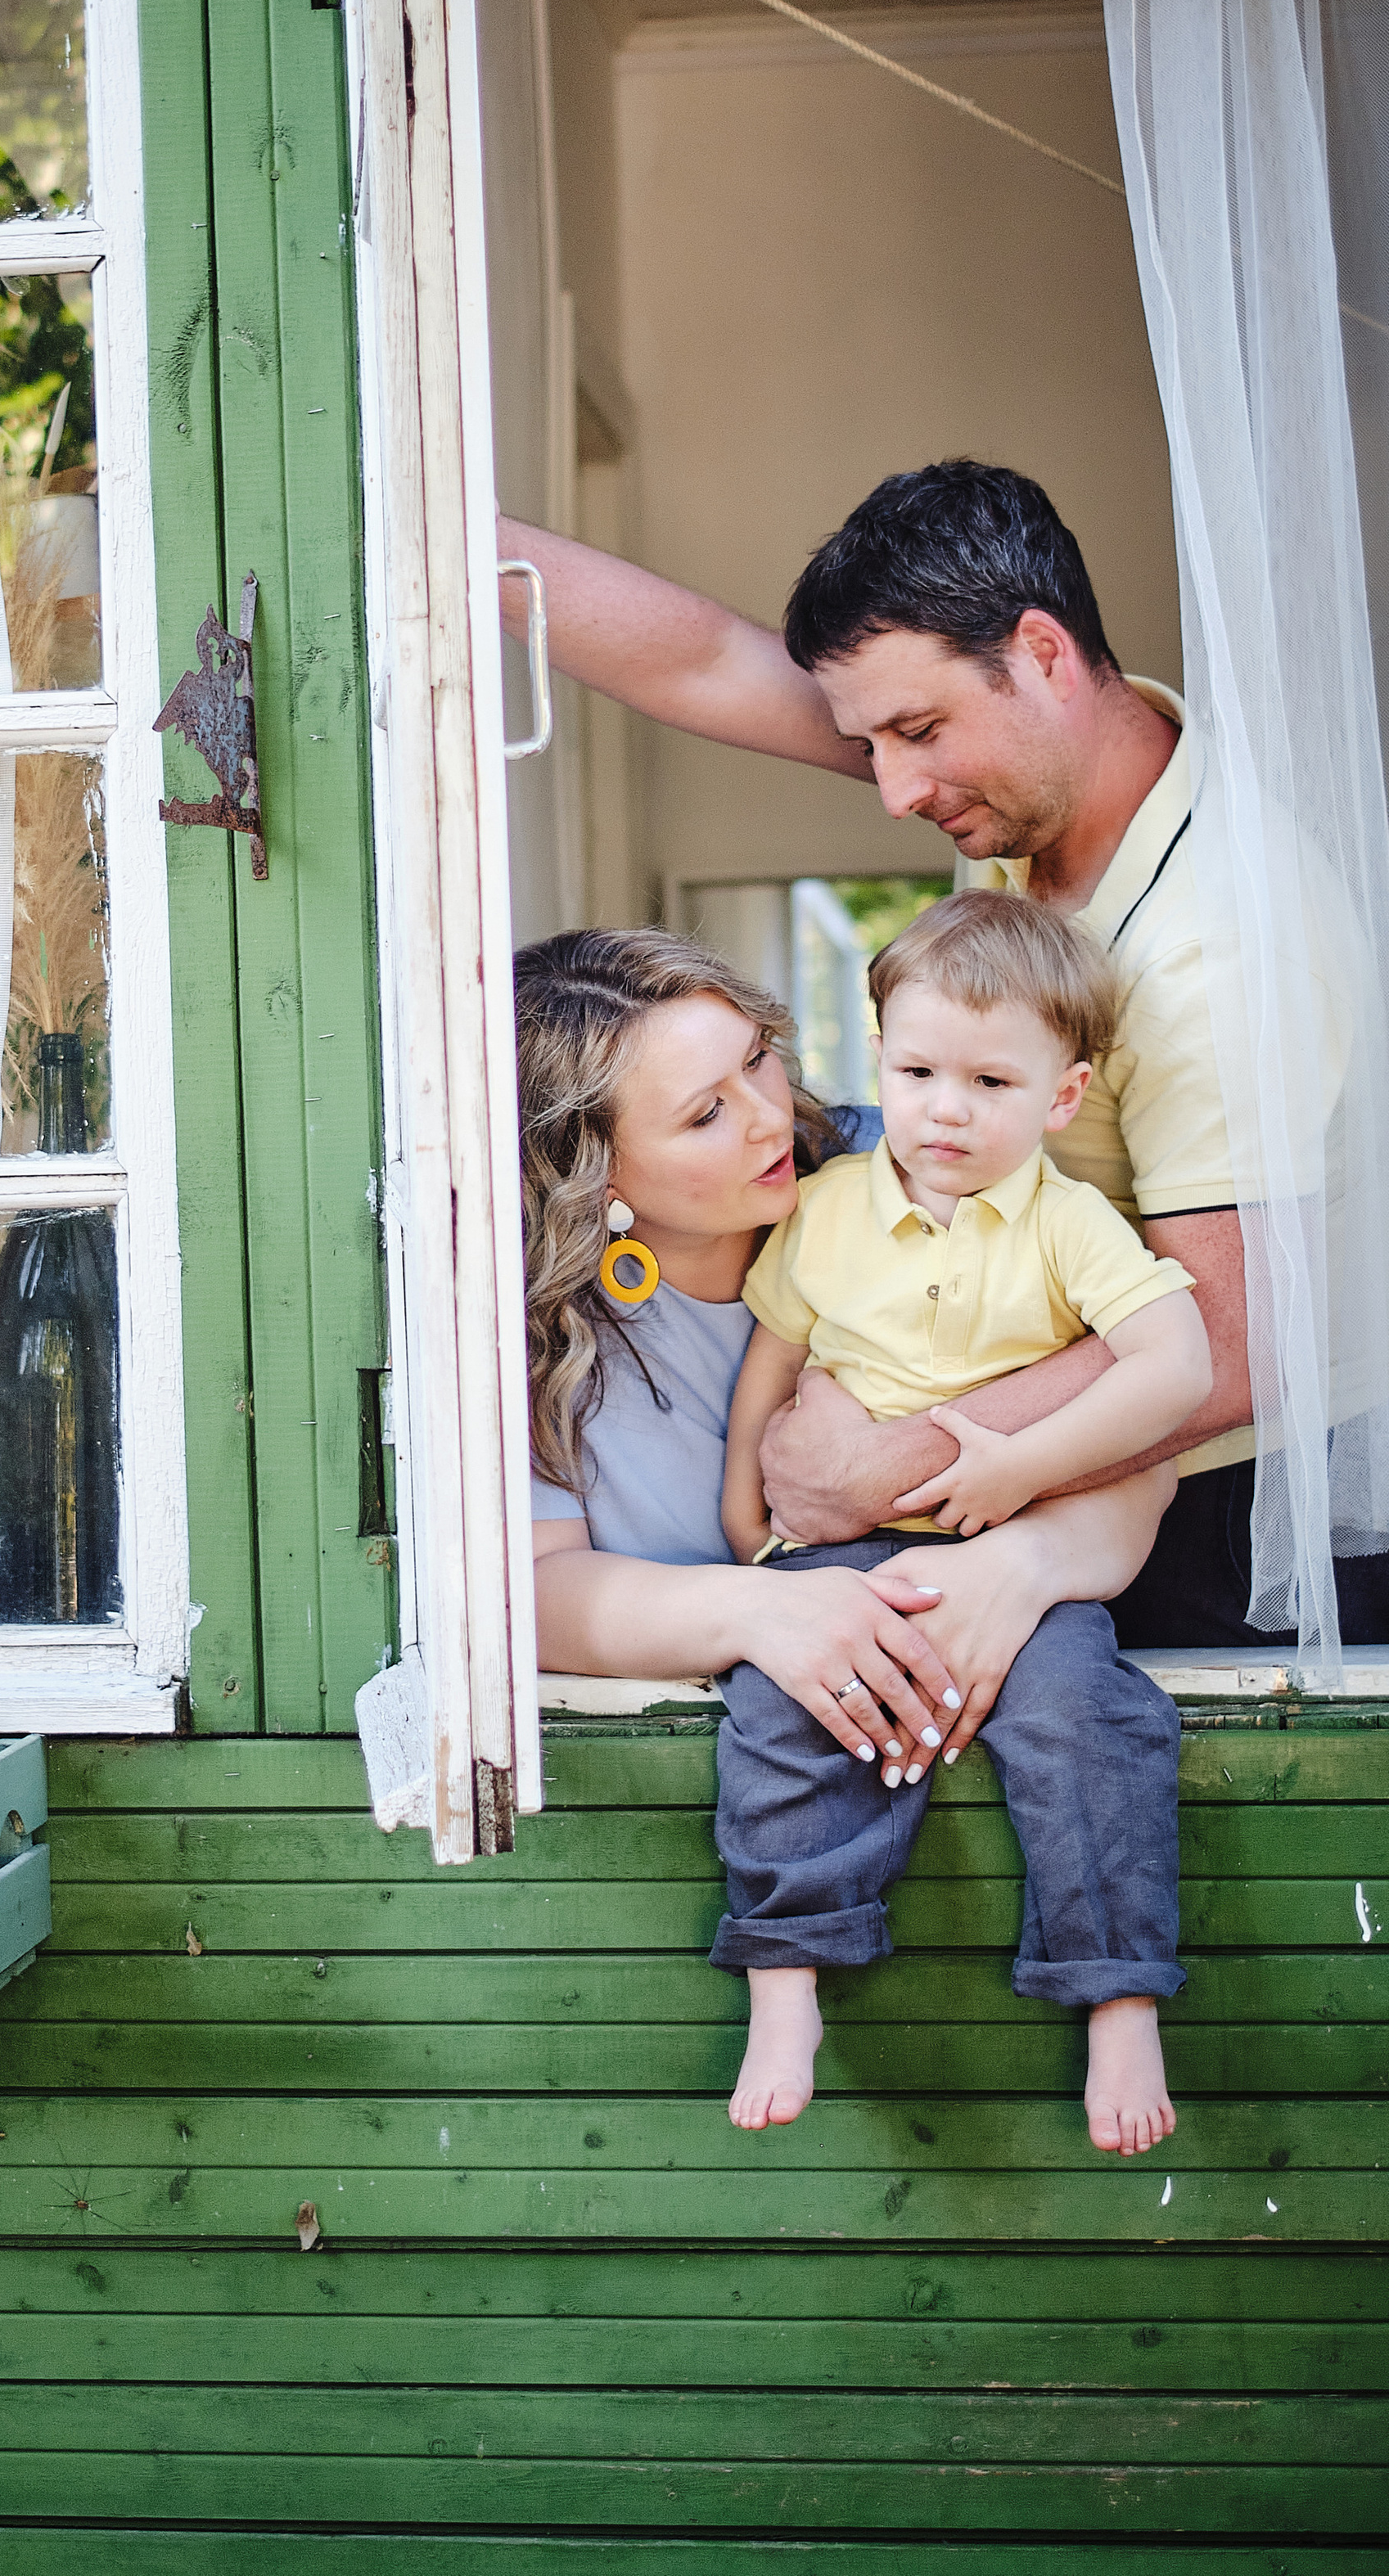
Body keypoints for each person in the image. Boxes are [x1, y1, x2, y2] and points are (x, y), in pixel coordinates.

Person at [503, 457, 1389, 1647]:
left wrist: (879, 1461)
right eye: (873, 744)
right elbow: (707, 659)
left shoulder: (1219, 951)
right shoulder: (1026, 789)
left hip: (1216, 1519)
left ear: (1044, 656)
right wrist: (452, 537)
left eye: (918, 733)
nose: (895, 791)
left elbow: (1231, 1347)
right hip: (1008, 1461)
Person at [518, 926, 1176, 2151]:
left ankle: (1117, 1985)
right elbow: (533, 1593)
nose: (774, 1117)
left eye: (761, 1060)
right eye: (708, 1113)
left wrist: (1012, 1560)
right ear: (592, 1165)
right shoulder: (538, 1334)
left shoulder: (921, 1158)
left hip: (993, 1657)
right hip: (780, 1739)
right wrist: (766, 1612)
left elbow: (1144, 1441)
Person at [715, 893, 1208, 2150]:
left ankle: (1117, 1992)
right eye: (918, 1068)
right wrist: (743, 1528)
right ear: (878, 1055)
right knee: (782, 1711)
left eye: (991, 1080)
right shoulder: (825, 1209)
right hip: (834, 1553)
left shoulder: (1068, 1223)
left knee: (1087, 1722)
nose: (945, 1107)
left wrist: (1020, 1465)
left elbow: (1176, 1367)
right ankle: (786, 1977)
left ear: (1062, 1095)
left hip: (1011, 1551)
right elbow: (770, 1366)